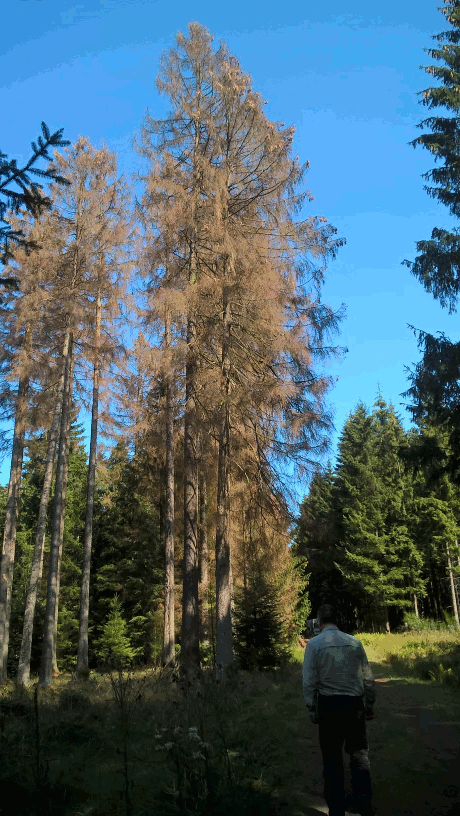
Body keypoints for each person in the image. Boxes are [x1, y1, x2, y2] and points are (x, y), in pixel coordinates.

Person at [302, 604, 375, 816]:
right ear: (336, 619)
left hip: (329, 706)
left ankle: (336, 809)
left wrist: (312, 708)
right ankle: (364, 805)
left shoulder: (314, 645)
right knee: (359, 755)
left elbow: (309, 682)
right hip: (354, 705)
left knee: (332, 759)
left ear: (319, 621)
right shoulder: (354, 643)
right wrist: (369, 704)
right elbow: (367, 677)